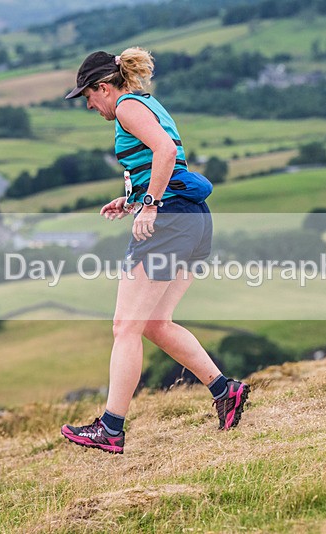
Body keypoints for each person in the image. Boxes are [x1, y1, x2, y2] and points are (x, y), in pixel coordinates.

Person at [60, 47, 249, 454]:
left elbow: (164, 151)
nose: (89, 105)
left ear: (103, 87)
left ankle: (110, 428)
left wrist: (149, 206)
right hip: (194, 218)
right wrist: (131, 199)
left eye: (88, 97)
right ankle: (225, 390)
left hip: (170, 221)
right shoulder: (146, 102)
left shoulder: (127, 107)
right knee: (154, 323)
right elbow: (166, 163)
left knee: (124, 326)